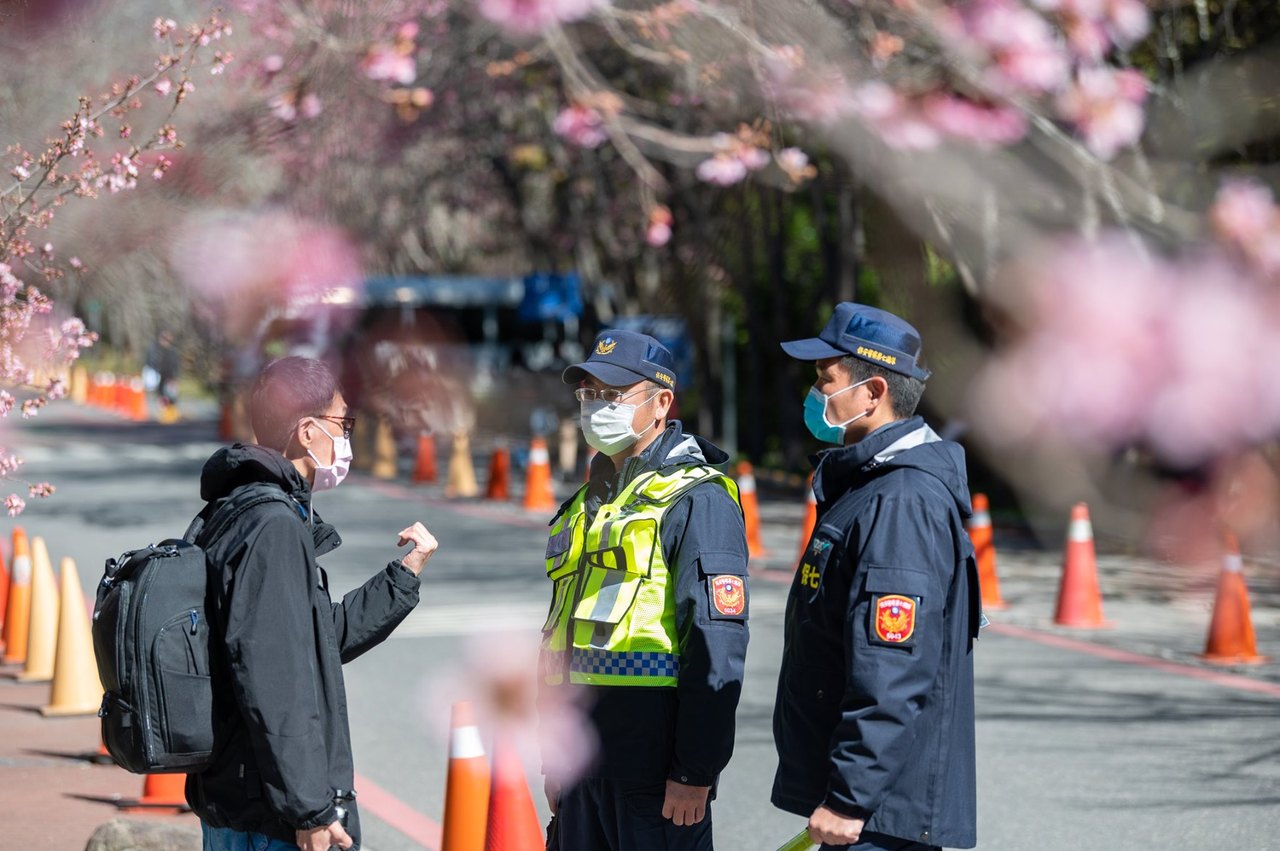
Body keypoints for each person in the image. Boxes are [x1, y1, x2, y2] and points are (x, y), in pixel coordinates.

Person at [188, 356, 440, 851]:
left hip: (242, 798)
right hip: (270, 815)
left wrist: (402, 578)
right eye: (342, 424)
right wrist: (310, 810)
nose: (346, 438)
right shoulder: (273, 526)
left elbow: (314, 641)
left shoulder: (234, 508)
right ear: (307, 432)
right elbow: (276, 676)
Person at [771, 303, 980, 851]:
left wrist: (849, 795)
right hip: (869, 807)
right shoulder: (870, 487)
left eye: (825, 380)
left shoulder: (902, 500)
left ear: (872, 392)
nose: (815, 394)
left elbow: (892, 663)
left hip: (880, 815)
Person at [539, 329, 750, 851]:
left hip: (653, 776)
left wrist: (695, 771)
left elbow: (716, 646)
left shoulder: (696, 499)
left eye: (612, 395)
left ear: (661, 404)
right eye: (589, 395)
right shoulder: (594, 498)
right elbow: (564, 635)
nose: (595, 408)